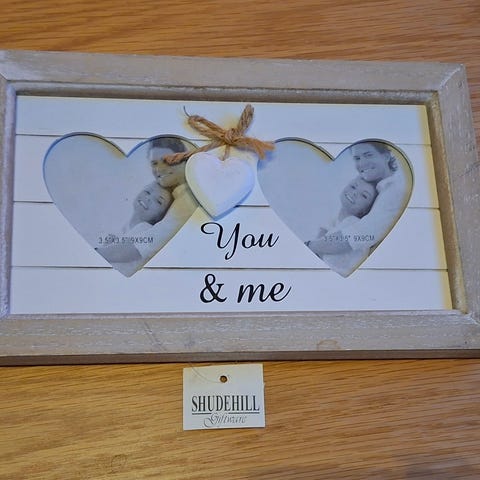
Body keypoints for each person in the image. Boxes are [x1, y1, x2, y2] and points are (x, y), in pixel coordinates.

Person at [96, 137, 199, 277]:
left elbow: (147, 244)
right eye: (154, 163)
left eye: (166, 161)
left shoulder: (189, 197)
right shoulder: (174, 194)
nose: (158, 169)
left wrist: (94, 254)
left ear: (183, 160)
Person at [306, 141, 410, 274]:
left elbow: (359, 235)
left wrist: (308, 247)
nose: (362, 163)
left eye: (368, 155)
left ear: (386, 156)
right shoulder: (381, 188)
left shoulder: (396, 190)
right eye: (357, 158)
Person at [306, 176, 378, 277]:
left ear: (367, 209)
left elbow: (318, 249)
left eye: (364, 196)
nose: (354, 193)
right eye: (353, 187)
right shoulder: (333, 221)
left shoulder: (354, 224)